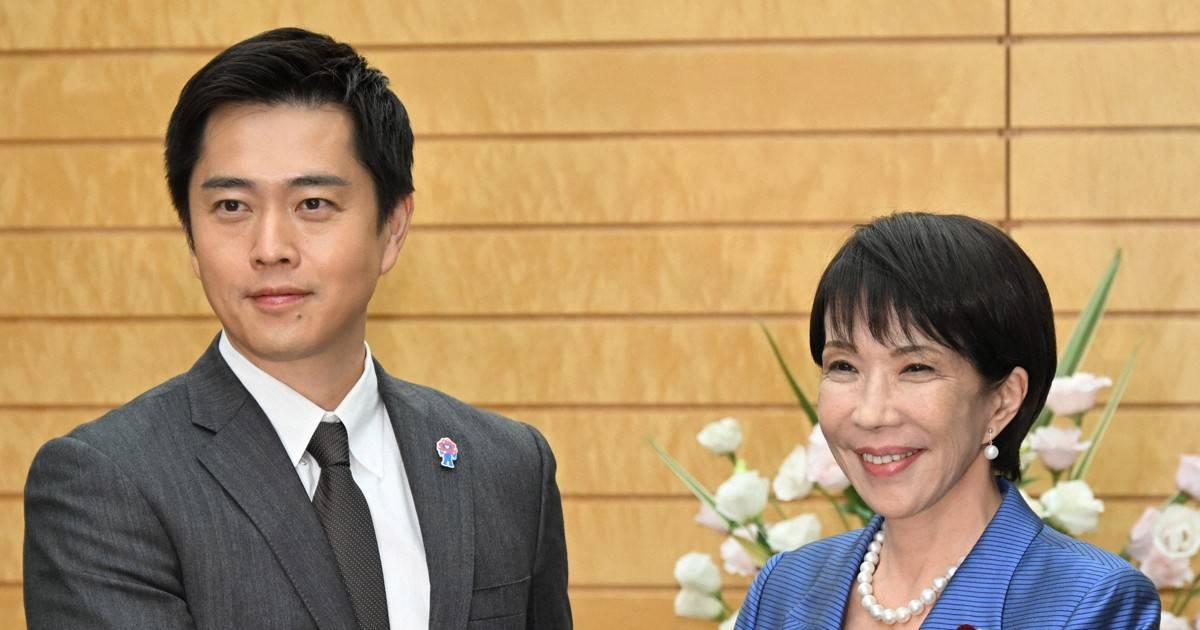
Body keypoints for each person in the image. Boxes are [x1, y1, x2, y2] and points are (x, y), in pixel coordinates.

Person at [23, 28, 571, 630]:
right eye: (232, 207)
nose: (270, 248)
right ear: (191, 237)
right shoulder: (107, 484)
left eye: (312, 204)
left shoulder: (507, 467)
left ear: (392, 227)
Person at [736, 213, 1159, 629]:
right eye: (844, 366)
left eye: (916, 368)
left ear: (1002, 401)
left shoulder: (1087, 601)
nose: (870, 413)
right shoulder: (783, 590)